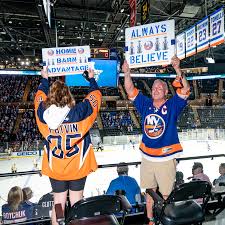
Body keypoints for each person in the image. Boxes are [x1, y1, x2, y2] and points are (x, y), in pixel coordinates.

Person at [122, 56, 190, 225]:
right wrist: (127, 73)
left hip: (166, 159)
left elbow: (185, 88)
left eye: (160, 87)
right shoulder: (145, 103)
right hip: (147, 158)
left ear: (166, 92)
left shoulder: (173, 105)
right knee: (149, 191)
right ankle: (150, 220)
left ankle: (167, 220)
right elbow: (130, 90)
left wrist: (177, 69)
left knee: (166, 194)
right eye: (154, 87)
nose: (156, 89)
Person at [34, 67, 102, 225]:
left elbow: (38, 98)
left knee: (58, 203)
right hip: (78, 167)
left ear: (51, 97)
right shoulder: (80, 112)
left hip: (56, 168)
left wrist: (44, 80)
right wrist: (91, 79)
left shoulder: (43, 114)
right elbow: (95, 97)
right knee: (77, 203)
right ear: (68, 95)